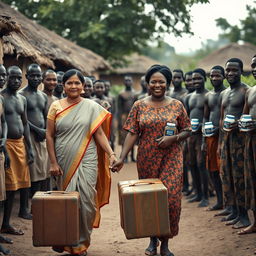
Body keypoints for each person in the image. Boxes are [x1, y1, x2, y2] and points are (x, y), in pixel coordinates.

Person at [112, 65, 191, 256]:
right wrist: (122, 158)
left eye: (161, 82)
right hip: (147, 158)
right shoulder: (139, 105)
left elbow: (187, 129)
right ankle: (152, 240)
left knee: (171, 200)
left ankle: (165, 242)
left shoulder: (177, 105)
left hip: (172, 158)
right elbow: (132, 132)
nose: (157, 85)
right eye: (153, 81)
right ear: (147, 83)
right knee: (150, 200)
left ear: (168, 83)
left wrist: (174, 138)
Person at [46, 69, 117, 256]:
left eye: (77, 83)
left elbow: (99, 134)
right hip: (63, 159)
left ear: (83, 87)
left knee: (86, 202)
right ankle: (64, 238)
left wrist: (111, 154)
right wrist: (53, 162)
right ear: (63, 85)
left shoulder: (92, 106)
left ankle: (80, 244)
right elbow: (49, 135)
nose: (73, 86)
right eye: (69, 83)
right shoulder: (56, 106)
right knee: (66, 201)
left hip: (88, 158)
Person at [1, 66, 34, 237]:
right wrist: (4, 149)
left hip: (21, 144)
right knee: (9, 187)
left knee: (21, 184)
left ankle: (8, 223)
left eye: (18, 78)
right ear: (7, 78)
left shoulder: (22, 99)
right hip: (7, 146)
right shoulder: (1, 98)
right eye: (12, 77)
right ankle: (5, 223)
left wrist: (29, 147)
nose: (15, 81)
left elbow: (25, 123)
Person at [219, 58, 250, 229]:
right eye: (228, 70)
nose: (230, 73)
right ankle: (236, 213)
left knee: (240, 177)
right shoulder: (224, 93)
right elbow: (222, 118)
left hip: (240, 141)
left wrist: (237, 123)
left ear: (241, 71)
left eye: (234, 70)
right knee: (227, 175)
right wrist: (220, 143)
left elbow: (246, 117)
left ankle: (245, 216)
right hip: (226, 139)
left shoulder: (246, 91)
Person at [19, 64, 49, 197]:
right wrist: (37, 130)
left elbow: (45, 116)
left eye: (38, 76)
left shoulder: (43, 96)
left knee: (43, 172)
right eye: (33, 75)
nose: (36, 78)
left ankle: (39, 204)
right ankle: (26, 206)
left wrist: (45, 131)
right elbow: (22, 119)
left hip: (42, 137)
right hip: (29, 136)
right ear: (27, 77)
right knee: (31, 173)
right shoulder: (21, 95)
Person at [202, 66, 226, 211]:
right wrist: (205, 133)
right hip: (211, 137)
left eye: (218, 76)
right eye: (212, 76)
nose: (215, 78)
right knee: (213, 170)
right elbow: (205, 117)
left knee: (225, 170)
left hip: (224, 135)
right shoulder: (208, 96)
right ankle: (219, 201)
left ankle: (230, 204)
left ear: (223, 77)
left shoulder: (226, 93)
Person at [237, 55, 256, 235]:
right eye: (253, 66)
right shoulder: (250, 92)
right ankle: (255, 222)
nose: (255, 69)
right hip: (251, 141)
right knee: (252, 180)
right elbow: (245, 115)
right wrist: (243, 123)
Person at [186, 68, 209, 207]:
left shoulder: (207, 95)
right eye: (194, 79)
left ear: (205, 79)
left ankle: (205, 196)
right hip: (190, 135)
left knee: (202, 164)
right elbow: (186, 117)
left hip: (202, 135)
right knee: (191, 163)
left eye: (199, 78)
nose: (196, 81)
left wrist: (203, 130)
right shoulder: (189, 97)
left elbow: (208, 117)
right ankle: (197, 192)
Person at [0, 65, 12, 256]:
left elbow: (3, 122)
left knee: (1, 196)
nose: (2, 78)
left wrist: (3, 139)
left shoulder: (0, 99)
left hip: (0, 151)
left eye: (4, 75)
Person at [117, 75, 136, 162]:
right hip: (124, 117)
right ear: (124, 82)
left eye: (129, 80)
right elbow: (119, 108)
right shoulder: (121, 94)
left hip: (133, 117)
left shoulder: (135, 94)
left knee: (132, 135)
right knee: (123, 137)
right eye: (126, 80)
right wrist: (119, 120)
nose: (128, 82)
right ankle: (125, 157)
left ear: (132, 82)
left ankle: (132, 156)